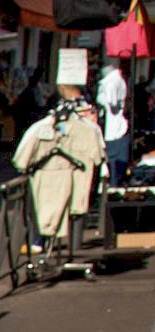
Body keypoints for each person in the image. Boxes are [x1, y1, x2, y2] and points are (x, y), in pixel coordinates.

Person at [12, 83, 106, 252]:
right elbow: (99, 157)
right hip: (71, 185)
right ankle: (46, 242)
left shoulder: (82, 129)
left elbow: (21, 159)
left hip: (48, 184)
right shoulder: (84, 130)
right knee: (51, 210)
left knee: (43, 210)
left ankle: (40, 241)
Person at [98, 59, 132, 191]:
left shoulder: (112, 83)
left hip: (113, 131)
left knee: (113, 168)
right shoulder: (113, 82)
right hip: (112, 129)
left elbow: (113, 104)